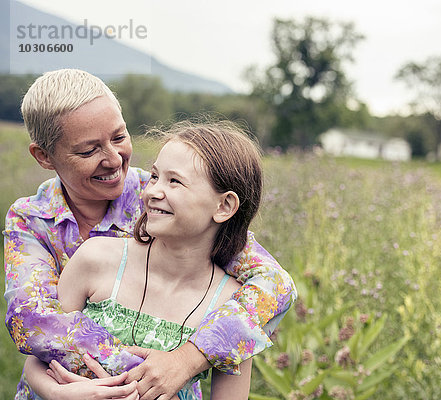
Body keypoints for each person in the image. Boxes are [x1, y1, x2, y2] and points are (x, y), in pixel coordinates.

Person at [4, 69, 296, 399]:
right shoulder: (31, 220)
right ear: (44, 156)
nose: (113, 159)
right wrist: (129, 380)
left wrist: (186, 361)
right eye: (88, 151)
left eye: (118, 138)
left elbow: (274, 285)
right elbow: (32, 322)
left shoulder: (162, 200)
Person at [22, 121, 260, 399]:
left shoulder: (233, 310)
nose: (151, 192)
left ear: (224, 206)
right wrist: (56, 393)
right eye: (155, 177)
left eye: (174, 181)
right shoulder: (96, 258)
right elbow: (39, 357)